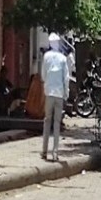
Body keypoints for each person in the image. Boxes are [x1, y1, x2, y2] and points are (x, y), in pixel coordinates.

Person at [42, 33, 69, 162]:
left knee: (47, 121)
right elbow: (66, 78)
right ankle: (55, 152)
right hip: (59, 93)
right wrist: (66, 93)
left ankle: (44, 150)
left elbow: (43, 74)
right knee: (57, 123)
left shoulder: (46, 57)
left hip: (49, 92)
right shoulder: (63, 58)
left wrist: (47, 84)